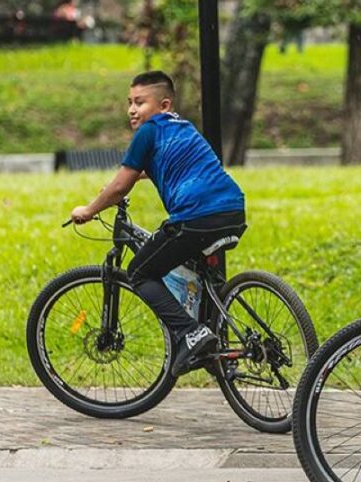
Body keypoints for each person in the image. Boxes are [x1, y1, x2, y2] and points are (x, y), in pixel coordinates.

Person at [69, 71, 247, 377]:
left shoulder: (148, 132)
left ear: (164, 105)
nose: (132, 110)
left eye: (140, 102)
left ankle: (191, 333)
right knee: (199, 272)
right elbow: (157, 166)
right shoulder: (183, 128)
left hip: (195, 216)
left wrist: (89, 209)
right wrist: (121, 185)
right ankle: (217, 351)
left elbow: (120, 187)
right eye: (129, 102)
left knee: (139, 272)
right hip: (232, 210)